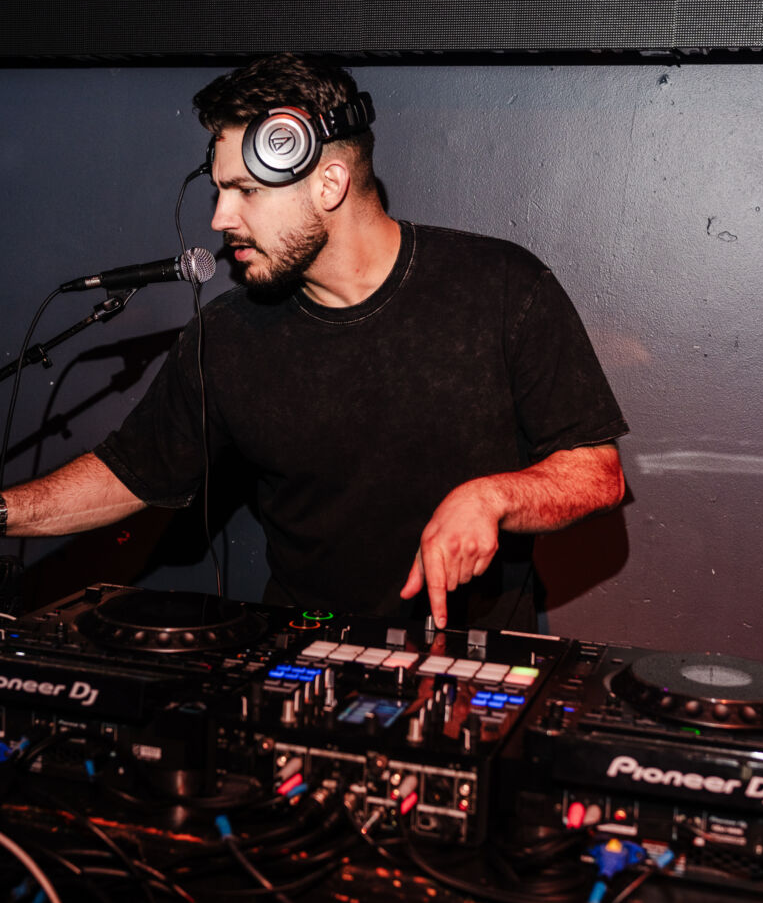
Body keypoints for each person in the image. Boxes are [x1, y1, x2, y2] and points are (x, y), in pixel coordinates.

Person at [0, 54, 628, 631]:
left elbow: (596, 474)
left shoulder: (501, 286)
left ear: (329, 184)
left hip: (471, 666)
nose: (220, 218)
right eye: (219, 189)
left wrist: (494, 497)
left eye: (246, 190)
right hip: (300, 659)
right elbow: (129, 474)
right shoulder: (227, 335)